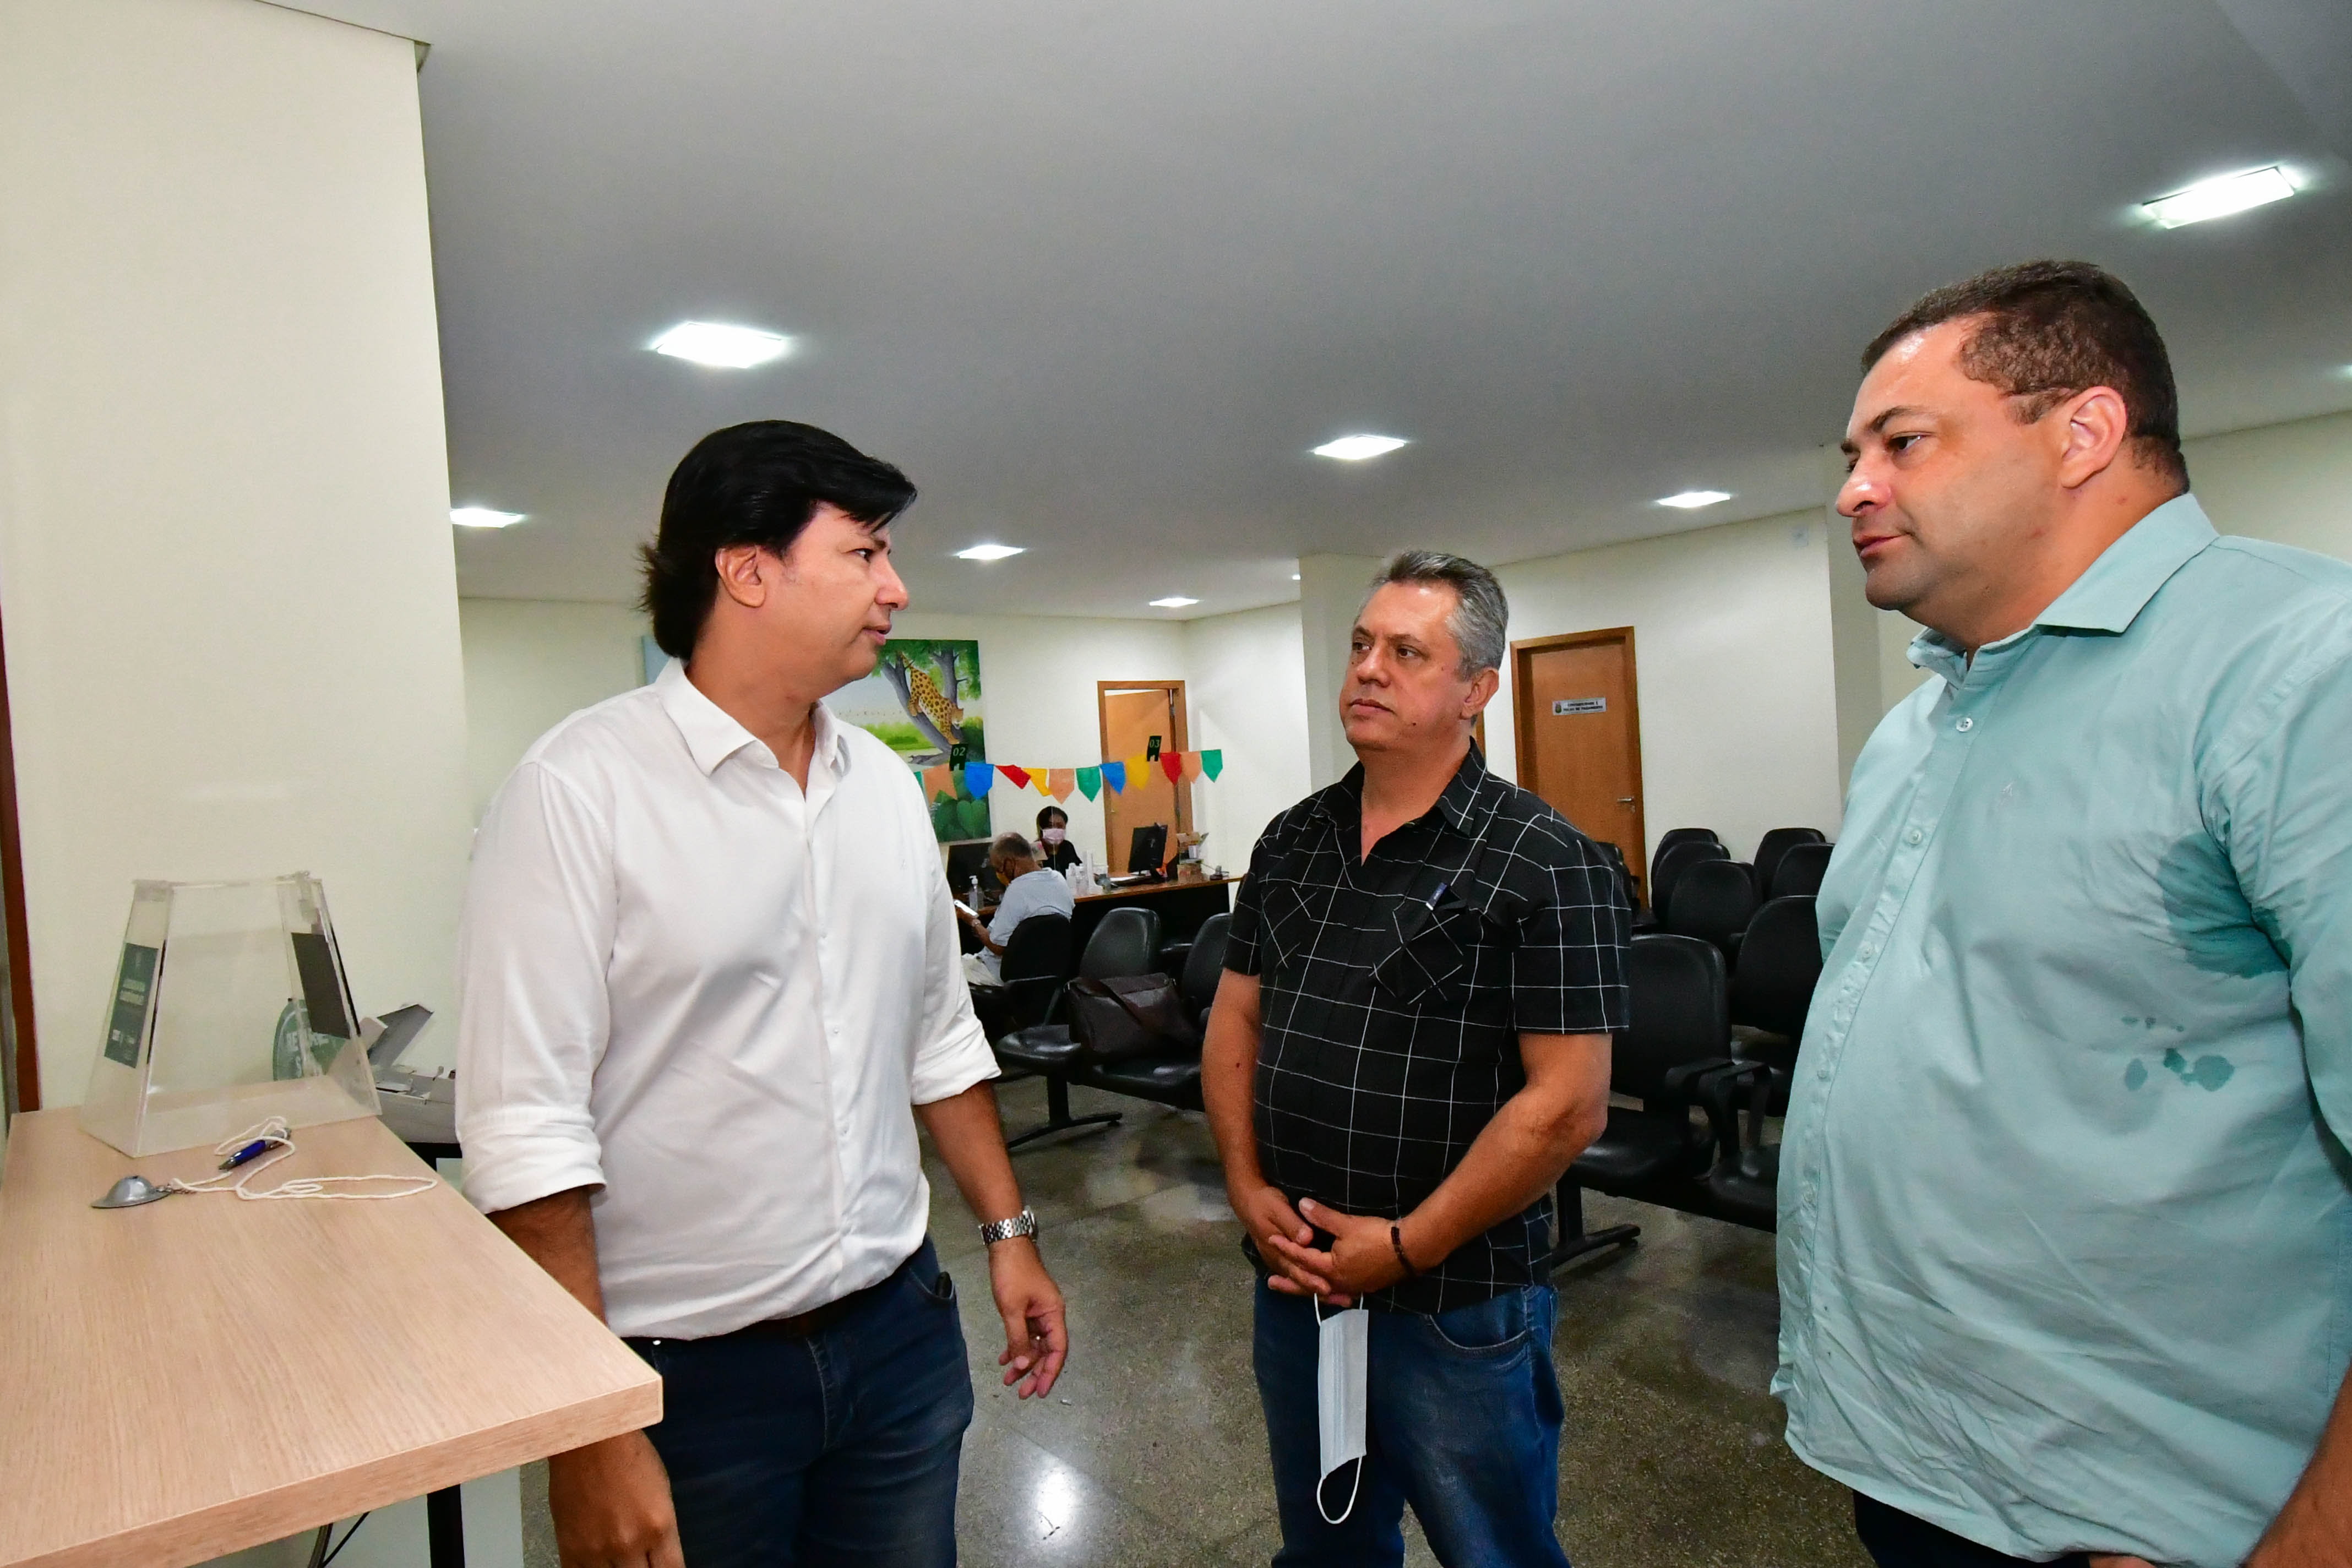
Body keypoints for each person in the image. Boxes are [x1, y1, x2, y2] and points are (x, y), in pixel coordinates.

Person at [1781, 260, 2352, 1568]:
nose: (1853, 487)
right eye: (1853, 454)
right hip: (1922, 1463)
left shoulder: (2297, 671)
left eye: (1901, 442)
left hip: (2168, 1515)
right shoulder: (1917, 728)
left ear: (2084, 431)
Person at [456, 420, 1069, 1568]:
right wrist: (592, 1429)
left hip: (898, 1335)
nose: (896, 587)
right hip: (686, 1380)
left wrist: (1009, 1233)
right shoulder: (575, 790)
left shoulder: (882, 785)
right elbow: (526, 1131)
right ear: (746, 569)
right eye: (864, 552)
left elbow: (938, 1038)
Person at [1202, 551, 1629, 1567]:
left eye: (1406, 652)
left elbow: (1568, 1104)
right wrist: (1246, 1186)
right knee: (1327, 1548)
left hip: (1457, 1305)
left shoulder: (1546, 859)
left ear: (1476, 688)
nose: (1367, 668)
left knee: (1496, 1551)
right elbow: (1236, 1022)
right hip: (1299, 1281)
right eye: (1361, 644)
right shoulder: (1291, 840)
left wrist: (1402, 1246)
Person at [958, 830, 1076, 986]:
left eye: (999, 869)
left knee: (948, 972)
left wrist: (974, 922)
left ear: (1010, 863)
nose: (998, 874)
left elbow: (997, 947)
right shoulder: (1059, 880)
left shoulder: (1017, 890)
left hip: (1000, 974)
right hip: (1046, 973)